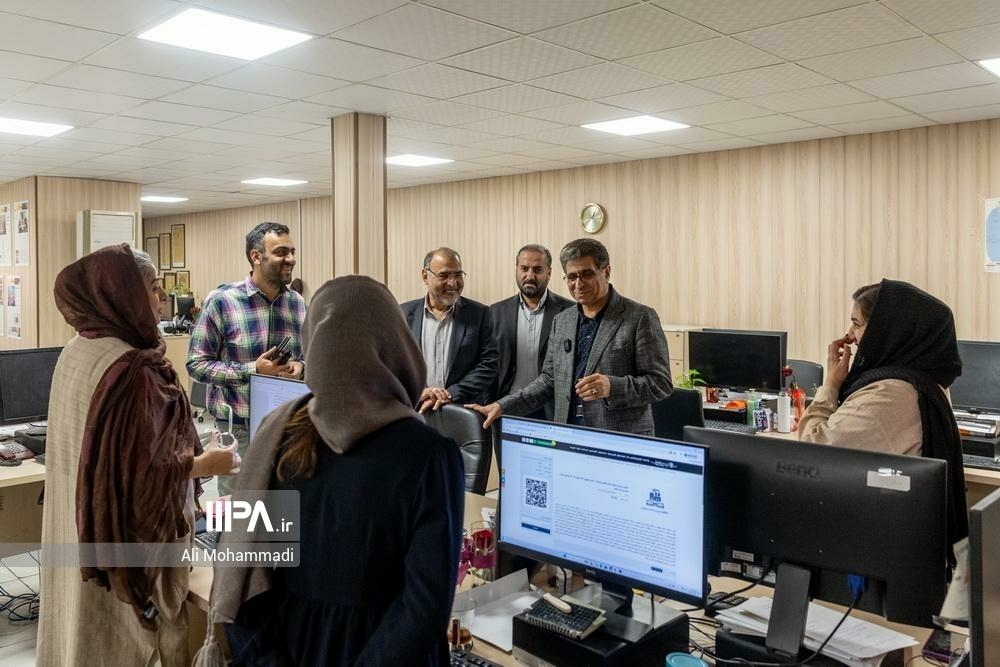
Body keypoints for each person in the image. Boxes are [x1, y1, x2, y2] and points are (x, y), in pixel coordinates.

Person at [206, 276, 465, 665]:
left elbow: (244, 573)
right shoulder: (430, 455)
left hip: (291, 647)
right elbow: (424, 609)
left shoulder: (277, 437)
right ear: (397, 345)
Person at [38, 245, 237, 667]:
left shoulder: (78, 350)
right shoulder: (132, 370)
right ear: (123, 293)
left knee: (81, 636)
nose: (162, 298)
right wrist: (208, 464)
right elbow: (146, 475)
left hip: (80, 534)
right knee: (131, 644)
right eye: (152, 287)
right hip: (130, 554)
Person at [798, 279, 968, 553]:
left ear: (886, 332)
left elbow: (813, 452)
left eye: (857, 324)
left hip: (879, 542)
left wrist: (830, 385)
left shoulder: (890, 393)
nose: (850, 336)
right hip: (898, 531)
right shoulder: (922, 380)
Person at [469, 238, 672, 435]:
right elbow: (548, 380)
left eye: (586, 274)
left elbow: (660, 383)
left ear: (607, 272)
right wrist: (502, 406)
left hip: (619, 436)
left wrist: (613, 387)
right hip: (568, 433)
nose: (578, 284)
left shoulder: (640, 317)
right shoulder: (562, 321)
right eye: (572, 276)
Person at [187, 221, 306, 496]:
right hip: (239, 428)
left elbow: (308, 357)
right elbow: (196, 365)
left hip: (288, 426)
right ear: (256, 256)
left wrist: (300, 367)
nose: (290, 259)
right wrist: (254, 370)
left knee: (284, 508)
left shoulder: (297, 303)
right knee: (242, 510)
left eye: (292, 252)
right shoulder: (222, 301)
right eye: (281, 252)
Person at [401, 247, 498, 412]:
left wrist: (450, 394)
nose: (453, 283)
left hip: (463, 412)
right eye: (444, 275)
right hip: (416, 410)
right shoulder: (402, 314)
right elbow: (394, 366)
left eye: (458, 275)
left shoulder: (480, 314)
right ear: (425, 276)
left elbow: (488, 365)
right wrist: (420, 392)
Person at [491, 244, 573, 420]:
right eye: (524, 268)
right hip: (506, 408)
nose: (530, 276)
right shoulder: (496, 312)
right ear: (516, 270)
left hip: (551, 410)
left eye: (537, 270)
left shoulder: (570, 312)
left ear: (549, 272)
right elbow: (488, 364)